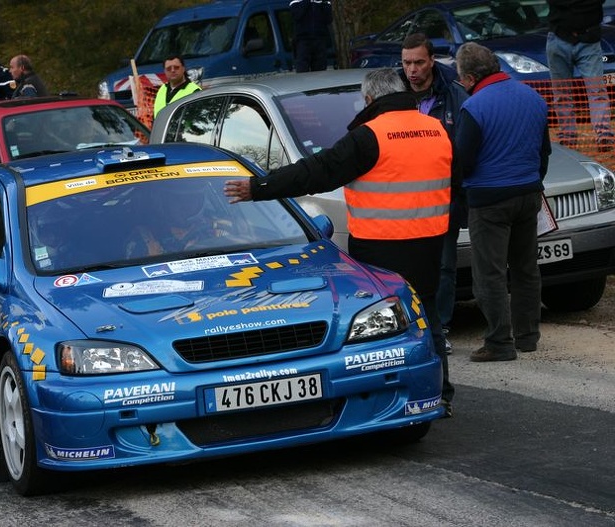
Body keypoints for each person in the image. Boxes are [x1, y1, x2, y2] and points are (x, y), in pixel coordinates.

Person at [223, 68, 455, 415]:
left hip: (382, 249)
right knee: (427, 318)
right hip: (431, 243)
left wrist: (260, 187)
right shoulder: (435, 128)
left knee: (381, 326)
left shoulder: (371, 135)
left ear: (370, 99)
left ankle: (385, 400)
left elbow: (319, 169)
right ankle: (440, 393)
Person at [454, 42, 551, 362]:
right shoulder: (533, 97)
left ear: (468, 78)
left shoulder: (475, 107)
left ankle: (499, 342)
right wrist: (533, 181)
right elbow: (543, 151)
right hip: (527, 193)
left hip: (489, 198)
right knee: (526, 269)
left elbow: (463, 161)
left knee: (490, 274)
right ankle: (527, 336)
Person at [400, 33, 469, 354]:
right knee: (405, 268)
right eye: (406, 63)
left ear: (431, 61)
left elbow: (465, 148)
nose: (412, 69)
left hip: (443, 198)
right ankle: (410, 328)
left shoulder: (454, 95)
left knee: (443, 265)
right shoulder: (393, 93)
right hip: (399, 200)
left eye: (418, 62)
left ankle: (439, 327)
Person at [546, 0, 614, 151]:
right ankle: (568, 137)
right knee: (562, 93)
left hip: (588, 39)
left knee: (596, 90)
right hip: (559, 38)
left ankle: (604, 135)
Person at [290, 0, 333, 72]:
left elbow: (329, 19)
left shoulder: (324, 2)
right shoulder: (296, 1)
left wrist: (323, 3)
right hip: (303, 40)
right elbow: (297, 15)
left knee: (320, 71)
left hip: (320, 39)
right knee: (302, 70)